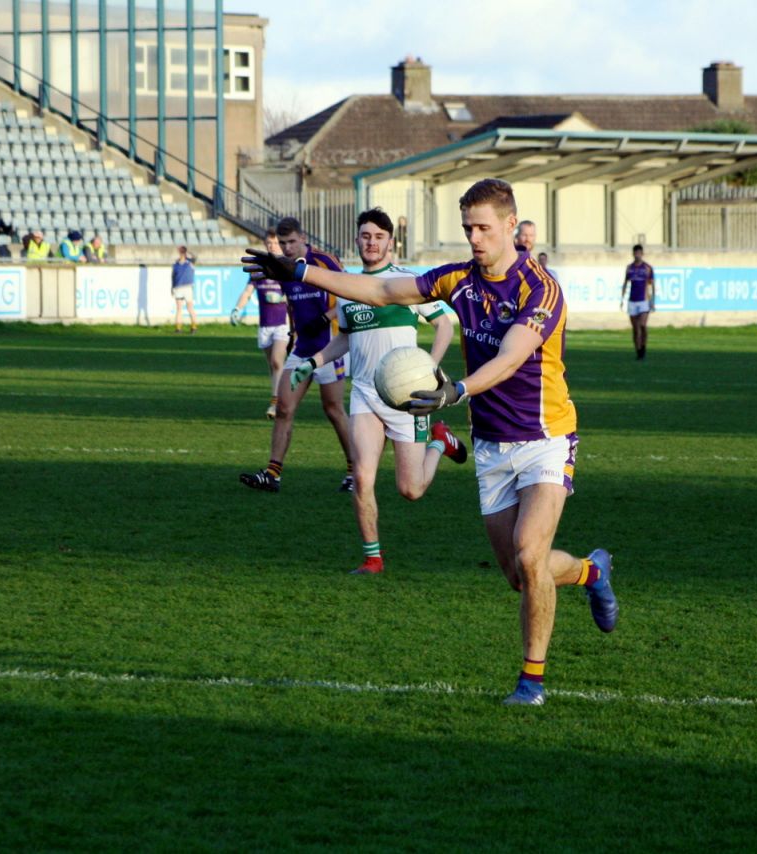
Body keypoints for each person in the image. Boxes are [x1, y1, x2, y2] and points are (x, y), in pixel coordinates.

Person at [243, 179, 618, 706]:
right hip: (489, 444)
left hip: (545, 437)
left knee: (530, 553)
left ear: (512, 225)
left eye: (484, 227)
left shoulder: (541, 289)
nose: (475, 238)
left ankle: (531, 682)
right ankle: (591, 571)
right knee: (517, 574)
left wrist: (455, 391)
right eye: (468, 228)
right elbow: (381, 291)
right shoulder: (460, 279)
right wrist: (298, 270)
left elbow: (511, 357)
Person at [290, 208, 461, 574]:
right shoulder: (349, 290)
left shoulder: (406, 283)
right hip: (366, 393)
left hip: (408, 398)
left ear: (390, 242)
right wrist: (312, 362)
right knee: (363, 476)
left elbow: (444, 326)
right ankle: (372, 558)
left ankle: (439, 441)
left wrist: (430, 368)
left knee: (410, 490)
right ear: (358, 240)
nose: (371, 242)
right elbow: (345, 340)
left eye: (379, 237)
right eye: (366, 236)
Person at [239, 216, 355, 494]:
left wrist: (327, 318)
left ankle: (355, 470)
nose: (288, 248)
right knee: (284, 408)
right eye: (283, 243)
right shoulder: (281, 267)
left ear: (304, 238)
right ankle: (272, 473)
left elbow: (350, 293)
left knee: (333, 409)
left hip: (330, 347)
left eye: (292, 241)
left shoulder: (324, 260)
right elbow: (293, 304)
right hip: (302, 348)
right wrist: (293, 334)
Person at [231, 229, 291, 419]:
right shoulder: (259, 268)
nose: (271, 246)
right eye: (269, 243)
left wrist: (281, 297)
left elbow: (294, 295)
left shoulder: (285, 267)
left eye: (274, 243)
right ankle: (279, 393)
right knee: (272, 365)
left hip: (283, 323)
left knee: (276, 361)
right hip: (265, 325)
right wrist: (237, 309)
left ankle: (275, 403)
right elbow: (248, 291)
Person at [620, 244, 655, 360]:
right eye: (636, 253)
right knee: (635, 328)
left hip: (644, 301)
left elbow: (652, 285)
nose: (637, 255)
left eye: (639, 253)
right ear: (633, 254)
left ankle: (643, 347)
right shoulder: (629, 268)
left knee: (643, 325)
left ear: (642, 254)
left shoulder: (647, 268)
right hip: (632, 301)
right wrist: (622, 299)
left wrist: (652, 301)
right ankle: (638, 351)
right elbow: (625, 283)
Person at [171, 245, 198, 333]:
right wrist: (172, 287)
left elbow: (195, 258)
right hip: (178, 287)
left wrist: (189, 252)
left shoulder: (189, 262)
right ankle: (178, 327)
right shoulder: (176, 264)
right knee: (179, 308)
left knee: (190, 307)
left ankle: (194, 326)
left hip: (187, 287)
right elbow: (173, 276)